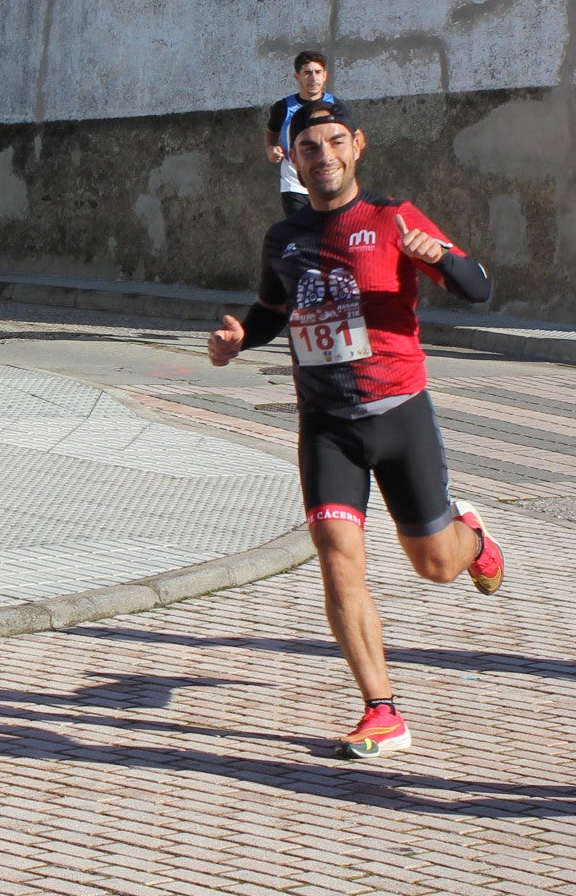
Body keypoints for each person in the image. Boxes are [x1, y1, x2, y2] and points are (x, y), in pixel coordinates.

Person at [206, 100, 504, 760]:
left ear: (358, 145)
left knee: (434, 565)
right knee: (338, 558)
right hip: (326, 425)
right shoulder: (282, 240)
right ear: (291, 158)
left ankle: (473, 537)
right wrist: (238, 339)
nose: (325, 157)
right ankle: (382, 709)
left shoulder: (391, 218)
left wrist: (443, 261)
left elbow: (478, 286)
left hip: (399, 415)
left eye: (336, 142)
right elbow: (268, 311)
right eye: (310, 148)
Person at [263, 51, 338, 218]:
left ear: (325, 75)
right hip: (295, 186)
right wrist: (270, 149)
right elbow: (271, 132)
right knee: (302, 235)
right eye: (307, 73)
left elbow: (354, 135)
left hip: (328, 182)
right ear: (297, 77)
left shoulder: (335, 106)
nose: (313, 78)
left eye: (318, 72)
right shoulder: (283, 107)